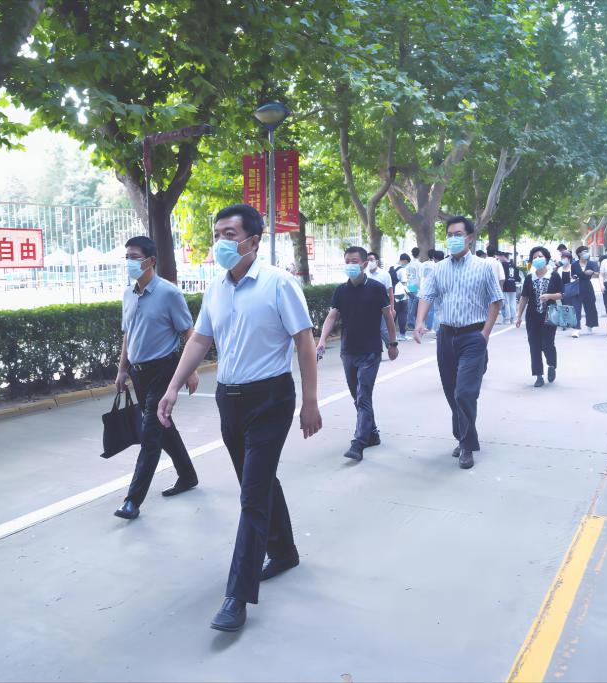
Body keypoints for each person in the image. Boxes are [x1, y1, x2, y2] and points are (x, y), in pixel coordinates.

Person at [157, 204, 322, 632]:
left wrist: (310, 401)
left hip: (271, 399)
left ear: (253, 240)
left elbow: (304, 342)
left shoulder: (278, 283)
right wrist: (172, 386)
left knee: (251, 496)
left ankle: (238, 596)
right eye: (217, 234)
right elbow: (199, 340)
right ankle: (284, 551)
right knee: (259, 482)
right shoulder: (216, 287)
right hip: (229, 400)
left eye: (229, 234)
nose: (221, 242)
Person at [113, 236, 201, 521]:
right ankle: (187, 475)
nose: (129, 262)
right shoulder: (128, 294)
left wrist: (190, 370)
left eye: (135, 257)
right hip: (139, 373)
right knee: (163, 425)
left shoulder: (169, 293)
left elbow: (189, 332)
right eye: (127, 256)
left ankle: (132, 500)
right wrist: (122, 370)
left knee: (150, 434)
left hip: (164, 370)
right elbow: (129, 335)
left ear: (150, 261)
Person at [414, 216, 503, 470]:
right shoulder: (438, 268)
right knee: (451, 391)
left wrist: (485, 333)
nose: (453, 239)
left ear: (470, 238)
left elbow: (496, 300)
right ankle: (463, 435)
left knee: (465, 392)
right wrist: (419, 321)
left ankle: (467, 445)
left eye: (458, 234)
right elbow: (426, 295)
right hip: (445, 336)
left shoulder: (484, 267)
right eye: (449, 235)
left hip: (473, 336)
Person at [316, 246, 399, 462]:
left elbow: (388, 317)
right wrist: (322, 340)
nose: (350, 265)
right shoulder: (341, 291)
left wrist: (392, 343)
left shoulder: (376, 288)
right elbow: (332, 316)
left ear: (364, 264)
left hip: (370, 352)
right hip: (348, 351)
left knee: (363, 396)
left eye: (354, 261)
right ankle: (372, 433)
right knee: (358, 396)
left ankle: (358, 443)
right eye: (347, 261)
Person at [515, 247, 563, 387]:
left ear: (546, 258)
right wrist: (519, 316)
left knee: (547, 343)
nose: (537, 259)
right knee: (534, 345)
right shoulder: (530, 278)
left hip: (550, 315)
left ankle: (551, 365)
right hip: (532, 316)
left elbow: (561, 294)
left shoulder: (554, 276)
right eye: (534, 257)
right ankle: (538, 375)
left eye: (540, 256)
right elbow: (524, 298)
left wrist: (549, 296)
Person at [366, 251, 395, 345]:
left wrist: (392, 308)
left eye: (371, 260)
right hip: (368, 308)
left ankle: (391, 346)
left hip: (383, 307)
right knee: (370, 331)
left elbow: (390, 292)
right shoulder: (364, 274)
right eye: (367, 260)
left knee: (383, 330)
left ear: (377, 261)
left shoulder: (384, 274)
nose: (369, 262)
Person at [572, 246, 600, 335]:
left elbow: (598, 274)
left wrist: (592, 272)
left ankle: (590, 325)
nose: (586, 253)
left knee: (590, 307)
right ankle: (576, 328)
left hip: (588, 286)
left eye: (587, 251)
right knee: (576, 308)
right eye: (584, 251)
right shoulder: (575, 264)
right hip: (577, 287)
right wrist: (574, 276)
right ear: (579, 254)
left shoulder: (592, 263)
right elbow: (572, 274)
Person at [557, 250, 582, 338]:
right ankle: (567, 323)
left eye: (564, 257)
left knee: (576, 309)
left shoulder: (574, 267)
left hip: (574, 291)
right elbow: (557, 281)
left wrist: (575, 277)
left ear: (569, 259)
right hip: (564, 292)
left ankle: (576, 329)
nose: (563, 259)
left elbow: (580, 276)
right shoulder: (559, 269)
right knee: (566, 308)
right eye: (562, 258)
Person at [499, 251, 521, 324]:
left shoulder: (502, 265)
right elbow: (517, 277)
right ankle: (513, 318)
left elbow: (501, 276)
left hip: (505, 285)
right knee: (512, 303)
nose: (499, 258)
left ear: (503, 257)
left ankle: (507, 319)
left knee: (506, 303)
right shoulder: (513, 265)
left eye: (499, 256)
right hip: (512, 285)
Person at [394, 254, 411, 340]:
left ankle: (391, 335)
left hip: (394, 293)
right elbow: (404, 283)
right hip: (402, 294)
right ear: (404, 260)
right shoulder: (403, 270)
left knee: (394, 314)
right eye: (407, 262)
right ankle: (402, 334)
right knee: (403, 314)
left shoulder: (393, 267)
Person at [406, 246, 423, 329]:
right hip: (416, 286)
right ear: (419, 254)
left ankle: (411, 322)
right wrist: (420, 287)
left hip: (409, 286)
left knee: (411, 304)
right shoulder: (419, 265)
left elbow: (407, 276)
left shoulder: (409, 265)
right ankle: (412, 322)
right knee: (416, 305)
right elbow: (419, 276)